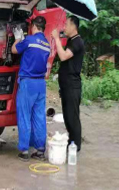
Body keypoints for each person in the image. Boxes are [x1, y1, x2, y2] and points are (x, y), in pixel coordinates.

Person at [11, 16, 50, 161]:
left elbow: (14, 50)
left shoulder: (29, 40)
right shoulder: (46, 44)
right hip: (41, 84)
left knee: (24, 116)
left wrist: (17, 38)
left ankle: (24, 150)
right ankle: (40, 150)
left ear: (33, 26)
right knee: (39, 117)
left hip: (28, 84)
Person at [51, 16, 85, 151]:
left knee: (72, 117)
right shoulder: (72, 40)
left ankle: (75, 147)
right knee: (67, 116)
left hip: (72, 85)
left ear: (73, 26)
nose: (64, 27)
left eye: (66, 24)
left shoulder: (77, 42)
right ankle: (71, 143)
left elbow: (64, 56)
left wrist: (57, 39)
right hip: (66, 86)